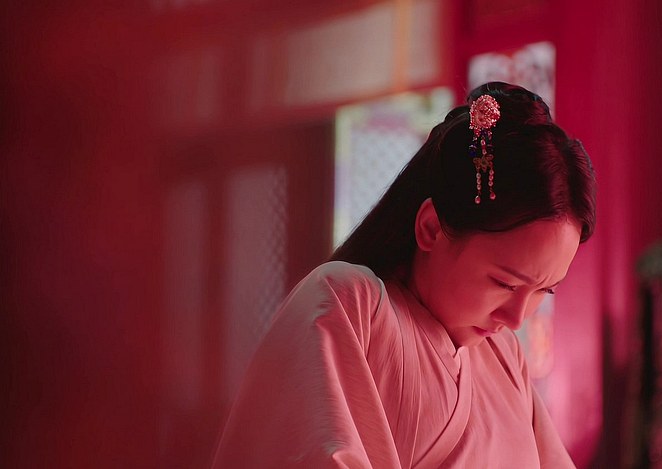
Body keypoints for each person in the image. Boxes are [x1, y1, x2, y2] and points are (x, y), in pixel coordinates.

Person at [210, 81, 597, 468]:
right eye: (504, 283)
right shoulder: (351, 305)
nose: (515, 319)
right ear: (431, 228)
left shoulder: (504, 355)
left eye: (544, 291)